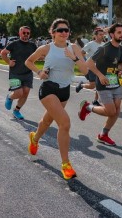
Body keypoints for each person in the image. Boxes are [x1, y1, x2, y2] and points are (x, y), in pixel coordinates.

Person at [24, 19, 87, 180]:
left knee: (46, 122)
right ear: (53, 33)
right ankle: (66, 165)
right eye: (60, 30)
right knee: (64, 123)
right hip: (49, 88)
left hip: (64, 91)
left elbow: (85, 70)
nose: (64, 33)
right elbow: (28, 61)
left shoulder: (73, 48)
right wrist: (39, 72)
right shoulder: (46, 48)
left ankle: (35, 138)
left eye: (66, 30)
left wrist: (74, 58)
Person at [79, 23, 122, 146]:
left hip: (115, 84)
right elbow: (89, 63)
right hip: (103, 84)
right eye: (119, 32)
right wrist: (100, 75)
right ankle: (87, 107)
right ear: (112, 34)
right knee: (110, 111)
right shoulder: (104, 48)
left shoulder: (120, 49)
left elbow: (118, 64)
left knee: (116, 112)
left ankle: (103, 135)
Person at [0, 26, 37, 120]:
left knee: (26, 92)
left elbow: (38, 55)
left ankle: (16, 111)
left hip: (28, 73)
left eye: (28, 33)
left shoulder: (33, 45)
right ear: (20, 33)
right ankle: (10, 97)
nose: (26, 35)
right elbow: (3, 53)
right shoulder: (14, 44)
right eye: (24, 33)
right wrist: (9, 62)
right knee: (18, 93)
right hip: (14, 73)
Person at [76, 28, 105, 106]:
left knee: (99, 84)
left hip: (101, 68)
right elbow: (81, 53)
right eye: (100, 34)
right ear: (95, 35)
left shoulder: (104, 44)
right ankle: (81, 85)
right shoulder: (90, 44)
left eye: (103, 34)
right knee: (92, 85)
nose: (102, 36)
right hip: (91, 67)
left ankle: (96, 100)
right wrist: (84, 61)